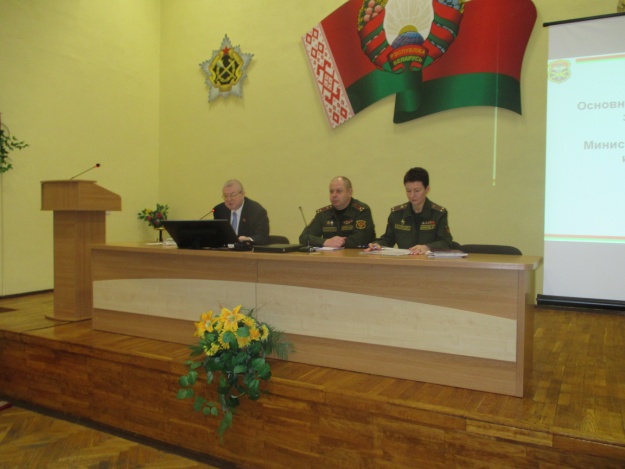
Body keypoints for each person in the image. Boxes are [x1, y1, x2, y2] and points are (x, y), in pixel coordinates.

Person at [367, 167, 453, 255]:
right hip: (405, 261)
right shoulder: (397, 214)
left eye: (417, 191)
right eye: (408, 191)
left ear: (427, 189)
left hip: (428, 261)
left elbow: (446, 243)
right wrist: (377, 244)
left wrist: (427, 247)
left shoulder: (438, 214)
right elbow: (388, 239)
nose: (412, 195)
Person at [299, 176, 375, 248]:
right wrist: (326, 242)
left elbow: (361, 239)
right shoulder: (323, 214)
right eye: (331, 191)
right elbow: (304, 237)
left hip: (357, 255)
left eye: (339, 191)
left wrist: (340, 242)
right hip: (330, 256)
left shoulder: (361, 211)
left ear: (350, 192)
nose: (334, 195)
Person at [213, 179, 270, 245]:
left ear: (243, 194)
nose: (229, 199)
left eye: (233, 195)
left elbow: (263, 237)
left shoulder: (256, 211)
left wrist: (248, 239)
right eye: (226, 196)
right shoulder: (219, 210)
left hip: (247, 250)